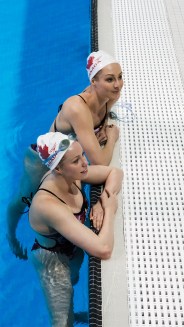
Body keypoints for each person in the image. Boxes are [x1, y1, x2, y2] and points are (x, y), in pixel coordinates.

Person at [7, 50, 124, 259]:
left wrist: (100, 131)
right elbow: (100, 160)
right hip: (41, 162)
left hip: (67, 158)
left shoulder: (109, 95)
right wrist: (112, 138)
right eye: (109, 79)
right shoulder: (77, 108)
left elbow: (103, 155)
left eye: (120, 77)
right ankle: (10, 234)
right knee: (24, 198)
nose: (117, 84)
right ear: (93, 81)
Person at [28, 132, 123, 326]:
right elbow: (103, 249)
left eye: (82, 155)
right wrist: (110, 209)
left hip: (73, 250)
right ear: (59, 169)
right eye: (76, 160)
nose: (85, 163)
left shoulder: (76, 175)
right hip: (53, 261)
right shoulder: (48, 205)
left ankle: (75, 313)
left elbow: (115, 172)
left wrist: (101, 200)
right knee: (63, 321)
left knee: (73, 284)